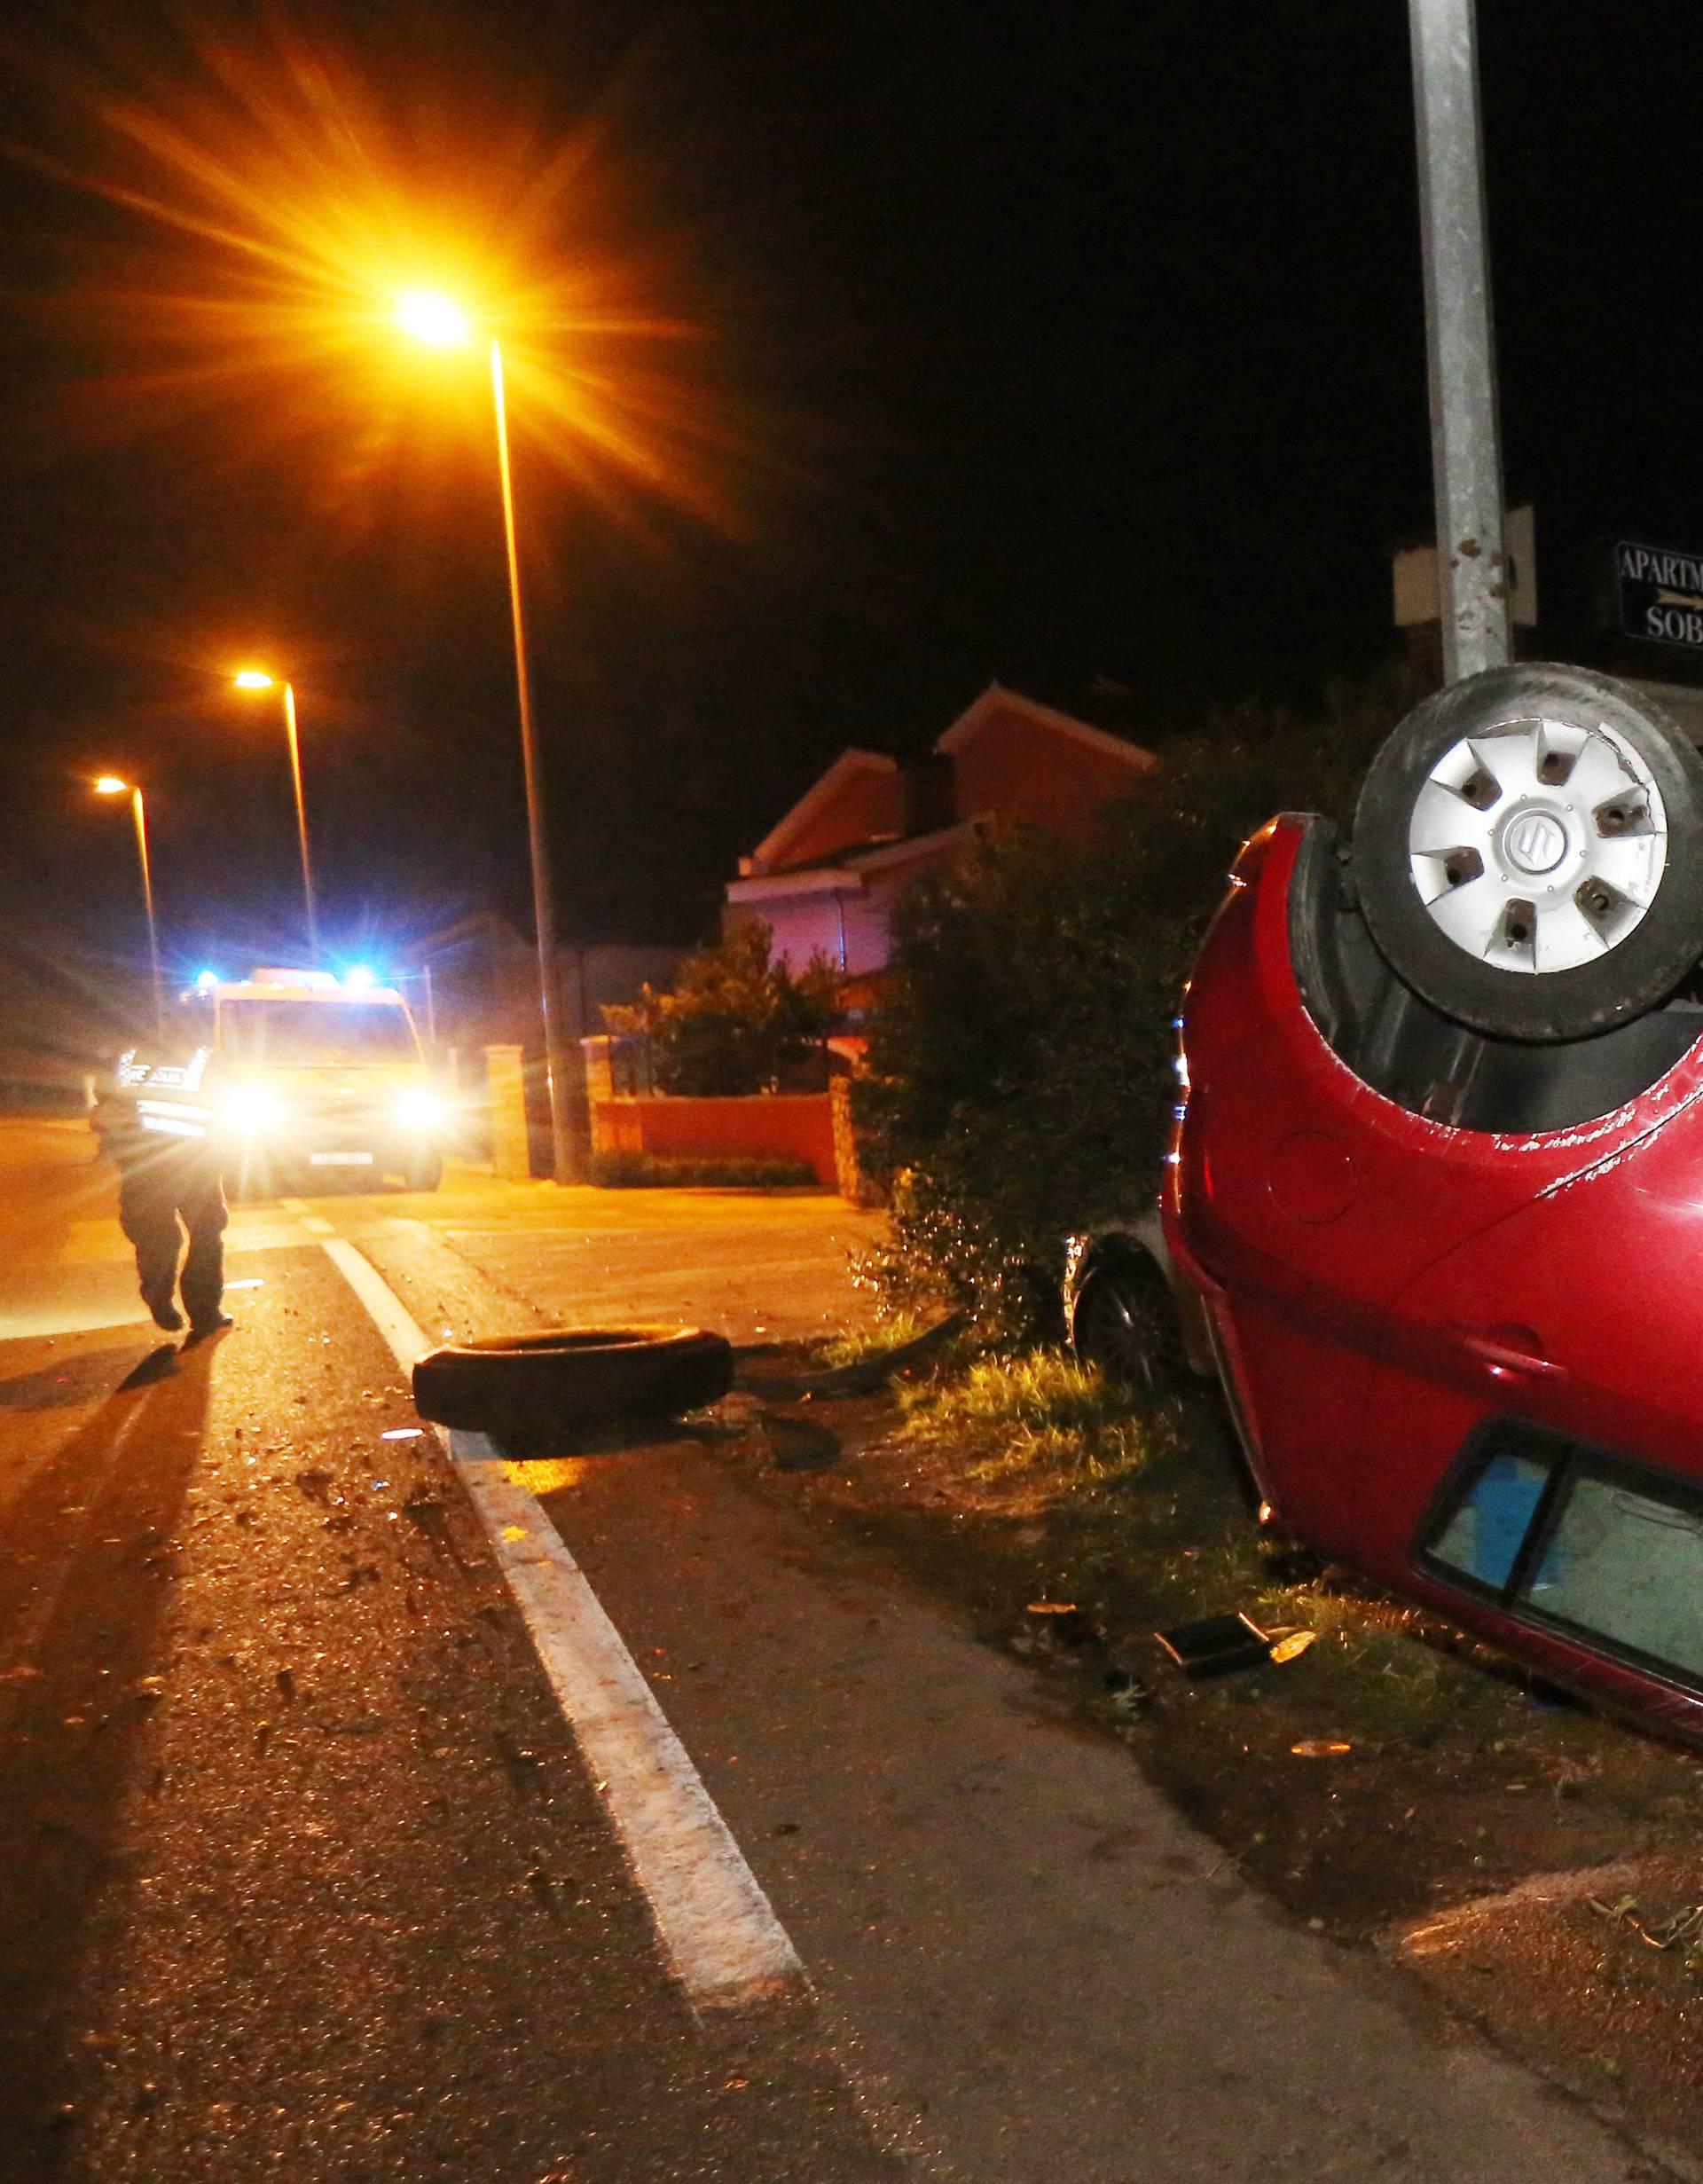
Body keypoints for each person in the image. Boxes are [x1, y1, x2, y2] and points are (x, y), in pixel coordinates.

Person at [98, 1037, 234, 1341]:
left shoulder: (126, 1054)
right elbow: (227, 1105)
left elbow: (104, 1098)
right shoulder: (206, 1055)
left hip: (143, 1165)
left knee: (160, 1237)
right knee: (204, 1236)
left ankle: (160, 1295)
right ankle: (203, 1311)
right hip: (195, 1163)